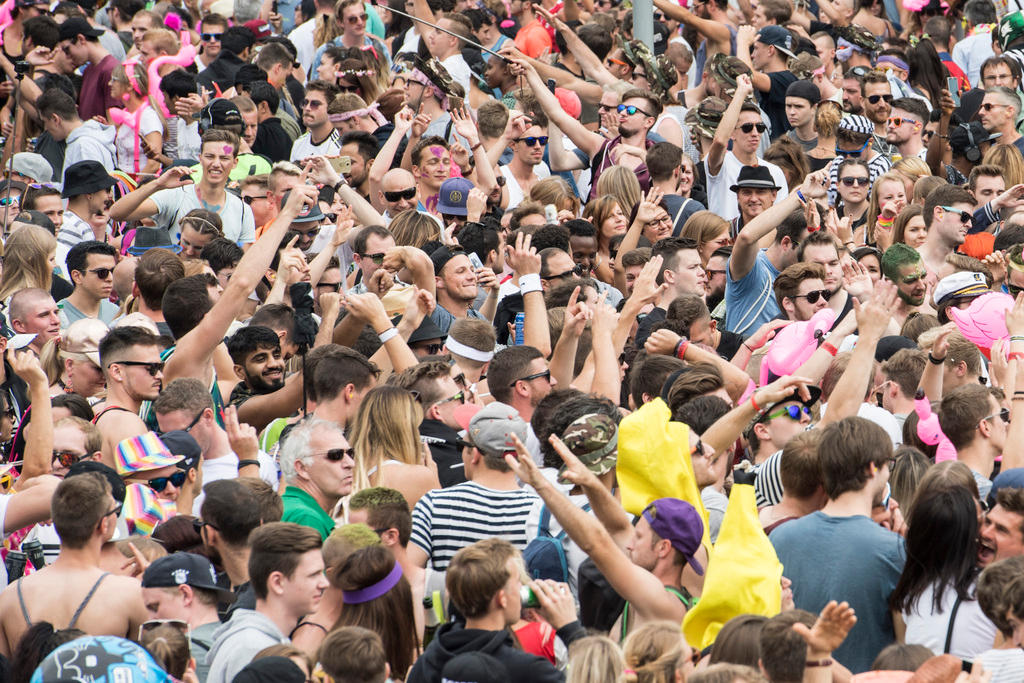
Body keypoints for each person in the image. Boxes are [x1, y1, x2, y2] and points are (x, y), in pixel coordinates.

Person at [770, 417, 905, 673]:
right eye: (889, 465)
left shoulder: (780, 537)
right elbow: (907, 645)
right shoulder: (893, 550)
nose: (889, 474)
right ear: (872, 468)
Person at [0, 472, 148, 657]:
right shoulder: (130, 595)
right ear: (104, 524)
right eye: (114, 511)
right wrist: (155, 590)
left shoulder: (10, 596)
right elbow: (154, 665)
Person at [407, 537, 583, 683]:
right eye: (517, 582)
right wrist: (570, 628)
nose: (523, 587)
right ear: (502, 598)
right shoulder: (528, 671)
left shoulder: (429, 660)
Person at [408, 402, 539, 572]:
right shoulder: (539, 512)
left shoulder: (434, 504)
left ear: (475, 454)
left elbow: (409, 572)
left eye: (461, 445)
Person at [205, 522, 329, 683]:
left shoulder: (259, 641)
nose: (324, 583)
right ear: (277, 582)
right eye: (314, 575)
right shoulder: (253, 649)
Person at [108, 130, 256, 247]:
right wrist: (157, 184)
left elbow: (243, 262)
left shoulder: (243, 210)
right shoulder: (177, 196)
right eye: (210, 156)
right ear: (200, 158)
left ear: (235, 162)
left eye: (224, 158)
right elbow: (116, 213)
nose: (216, 164)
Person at [140, 552, 228, 682]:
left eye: (154, 607)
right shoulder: (234, 638)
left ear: (186, 595)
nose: (150, 618)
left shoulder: (181, 650)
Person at [280, 417, 354, 540]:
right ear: (302, 468)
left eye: (351, 453)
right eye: (336, 455)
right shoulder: (306, 518)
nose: (350, 463)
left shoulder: (293, 508)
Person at [57, 241, 119, 328]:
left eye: (113, 271)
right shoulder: (58, 317)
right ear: (77, 276)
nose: (110, 278)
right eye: (102, 272)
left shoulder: (115, 312)